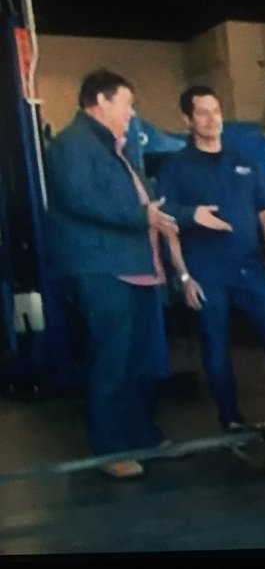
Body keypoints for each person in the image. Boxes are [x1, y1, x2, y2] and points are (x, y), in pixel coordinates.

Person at [45, 70, 227, 479]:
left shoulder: (115, 149)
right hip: (105, 269)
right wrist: (143, 214)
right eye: (126, 103)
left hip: (137, 269)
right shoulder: (72, 145)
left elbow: (150, 203)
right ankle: (108, 450)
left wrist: (187, 214)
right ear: (100, 101)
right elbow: (80, 200)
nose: (131, 112)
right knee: (113, 360)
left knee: (140, 361)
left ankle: (144, 436)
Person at [156, 86, 265, 433]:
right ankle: (230, 419)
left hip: (250, 269)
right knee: (216, 349)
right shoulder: (175, 168)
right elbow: (167, 225)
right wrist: (184, 277)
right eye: (202, 112)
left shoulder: (244, 161)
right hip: (206, 273)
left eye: (215, 111)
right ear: (187, 119)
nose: (211, 119)